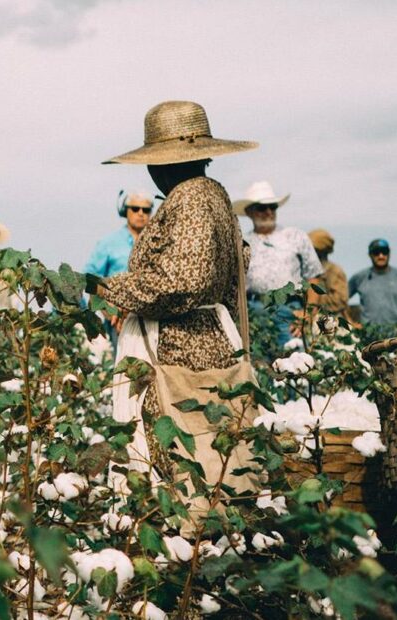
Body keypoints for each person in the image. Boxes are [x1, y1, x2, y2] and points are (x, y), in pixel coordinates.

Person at [93, 99, 257, 479]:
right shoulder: (214, 196)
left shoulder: (191, 199)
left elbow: (182, 282)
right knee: (211, 449)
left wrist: (109, 289)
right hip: (208, 338)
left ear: (161, 163)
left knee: (178, 456)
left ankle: (183, 534)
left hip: (180, 346)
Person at [235, 181, 323, 348]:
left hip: (290, 313)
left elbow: (313, 277)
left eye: (272, 207)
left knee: (295, 367)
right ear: (249, 212)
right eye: (262, 207)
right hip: (254, 314)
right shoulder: (241, 244)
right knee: (258, 369)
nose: (268, 212)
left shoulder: (296, 236)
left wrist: (307, 314)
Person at [85, 190, 154, 347]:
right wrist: (107, 308)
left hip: (151, 317)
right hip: (118, 319)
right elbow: (89, 278)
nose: (141, 213)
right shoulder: (108, 243)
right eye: (135, 209)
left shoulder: (157, 243)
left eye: (146, 210)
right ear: (125, 211)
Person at [307, 228, 350, 318]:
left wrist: (314, 299)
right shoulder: (307, 271)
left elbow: (340, 301)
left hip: (330, 321)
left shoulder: (335, 271)